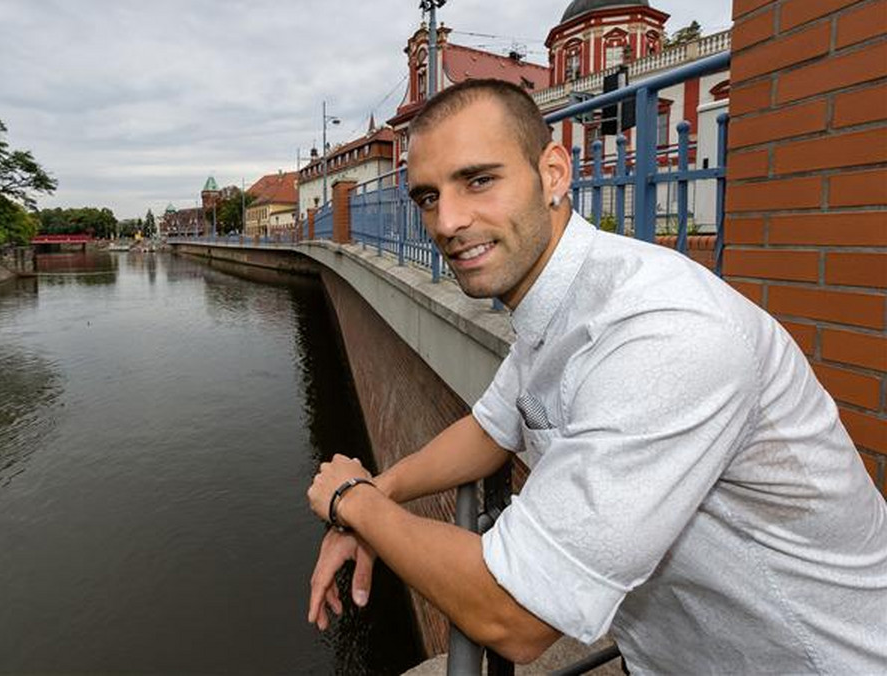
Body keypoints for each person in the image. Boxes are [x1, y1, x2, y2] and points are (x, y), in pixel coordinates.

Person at [305, 78, 887, 672]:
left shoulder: (664, 334)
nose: (448, 220)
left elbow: (514, 615)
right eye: (427, 197)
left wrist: (353, 503)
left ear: (553, 173)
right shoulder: (558, 305)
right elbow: (491, 429)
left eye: (479, 180)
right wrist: (384, 490)